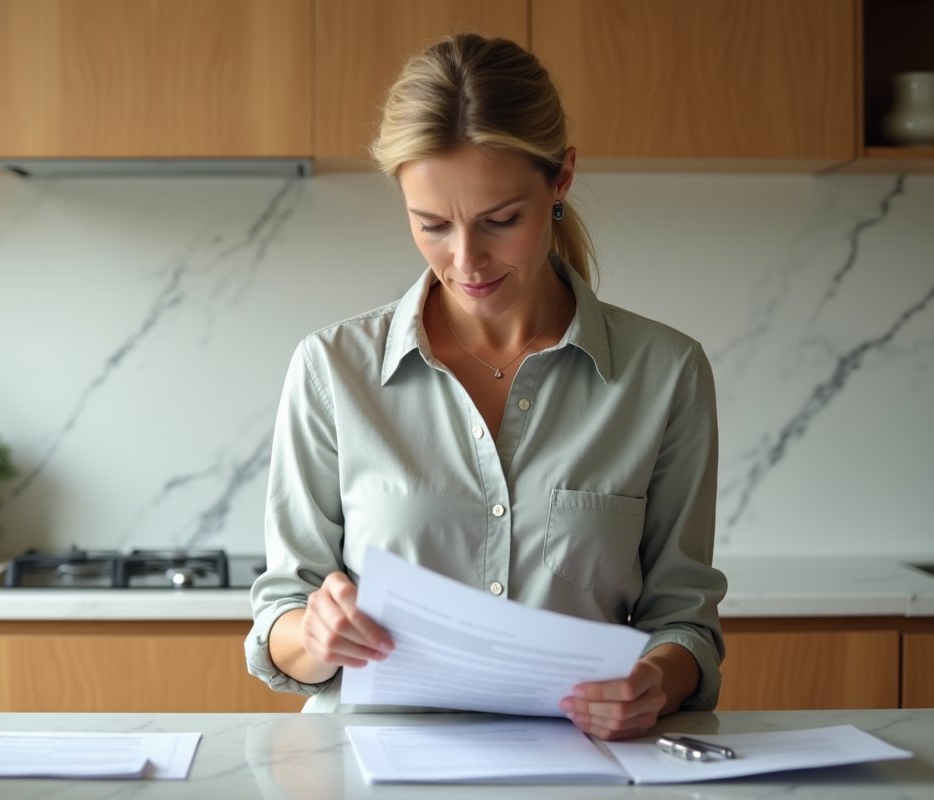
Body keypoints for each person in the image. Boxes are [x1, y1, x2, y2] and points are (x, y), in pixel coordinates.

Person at [245, 32, 726, 741]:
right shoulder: (331, 368)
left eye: (502, 221)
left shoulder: (666, 373)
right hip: (370, 772)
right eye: (431, 224)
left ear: (560, 179)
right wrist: (314, 636)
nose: (466, 261)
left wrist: (655, 680)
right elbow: (281, 614)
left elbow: (684, 621)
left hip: (578, 774)